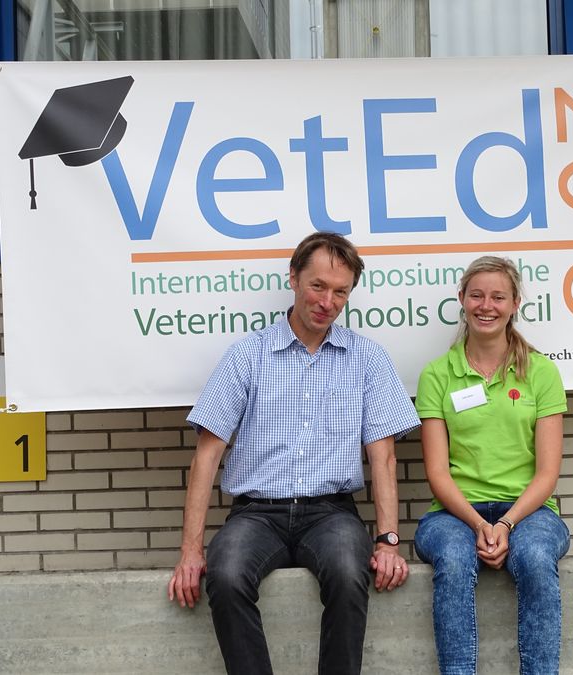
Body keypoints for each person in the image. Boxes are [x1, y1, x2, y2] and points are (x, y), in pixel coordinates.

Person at [168, 232, 420, 675]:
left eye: (340, 291)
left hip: (332, 514)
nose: (328, 301)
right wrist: (191, 550)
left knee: (348, 573)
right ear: (294, 279)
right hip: (254, 515)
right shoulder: (248, 355)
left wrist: (388, 541)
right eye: (318, 286)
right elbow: (206, 457)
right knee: (225, 576)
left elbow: (383, 459)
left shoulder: (367, 359)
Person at [413, 256, 570, 675]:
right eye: (477, 295)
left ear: (515, 302)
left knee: (536, 557)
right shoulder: (437, 375)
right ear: (462, 300)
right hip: (453, 513)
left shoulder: (540, 372)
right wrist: (480, 525)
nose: (487, 305)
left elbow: (547, 474)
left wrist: (505, 524)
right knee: (454, 557)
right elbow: (437, 474)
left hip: (530, 511)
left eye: (499, 296)